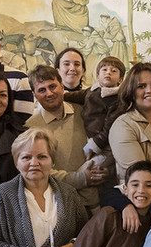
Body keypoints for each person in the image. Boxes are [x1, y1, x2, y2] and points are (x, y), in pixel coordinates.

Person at [26, 64, 107, 210]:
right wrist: (82, 178)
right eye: (42, 90)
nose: (49, 93)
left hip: (98, 202)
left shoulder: (85, 112)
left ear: (62, 86)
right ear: (34, 95)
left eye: (52, 86)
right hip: (60, 207)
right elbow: (40, 172)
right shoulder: (30, 128)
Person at [108, 62, 151, 179]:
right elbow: (140, 176)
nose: (149, 90)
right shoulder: (123, 126)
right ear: (131, 92)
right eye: (141, 86)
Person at [75, 56, 126, 161]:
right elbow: (78, 96)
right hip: (90, 138)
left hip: (105, 144)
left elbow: (110, 127)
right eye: (104, 70)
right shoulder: (92, 91)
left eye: (113, 71)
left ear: (120, 79)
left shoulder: (117, 99)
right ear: (97, 76)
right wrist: (63, 95)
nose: (108, 73)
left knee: (91, 168)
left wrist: (96, 143)